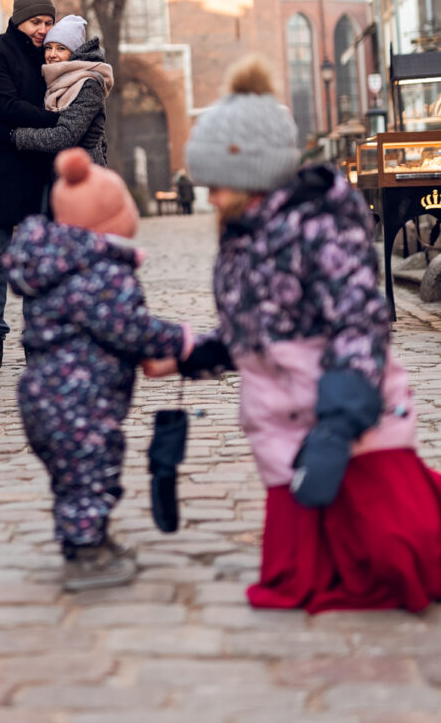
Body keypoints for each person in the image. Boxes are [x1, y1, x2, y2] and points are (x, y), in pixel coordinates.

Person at [145, 54, 441, 614]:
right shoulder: (241, 237)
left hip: (344, 418)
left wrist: (341, 419)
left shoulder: (320, 228)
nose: (209, 198)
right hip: (283, 424)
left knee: (399, 557)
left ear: (251, 174)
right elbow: (249, 332)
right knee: (290, 579)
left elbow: (358, 322)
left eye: (218, 185)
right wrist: (185, 356)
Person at [2, 147, 193, 592]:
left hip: (46, 396)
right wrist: (179, 342)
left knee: (75, 474)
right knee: (90, 472)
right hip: (80, 400)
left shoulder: (57, 267)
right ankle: (85, 552)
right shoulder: (102, 274)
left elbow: (107, 330)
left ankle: (88, 539)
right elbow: (132, 328)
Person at [0, 0, 59, 382]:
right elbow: (3, 106)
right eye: (37, 21)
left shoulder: (53, 58)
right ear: (20, 18)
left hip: (38, 167)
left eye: (48, 22)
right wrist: (56, 121)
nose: (43, 29)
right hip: (0, 168)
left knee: (35, 262)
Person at [10, 14, 113, 166]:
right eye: (48, 48)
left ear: (74, 52)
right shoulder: (53, 82)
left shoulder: (88, 84)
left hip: (84, 176)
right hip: (63, 175)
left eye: (61, 49)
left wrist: (17, 136)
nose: (52, 55)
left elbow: (65, 136)